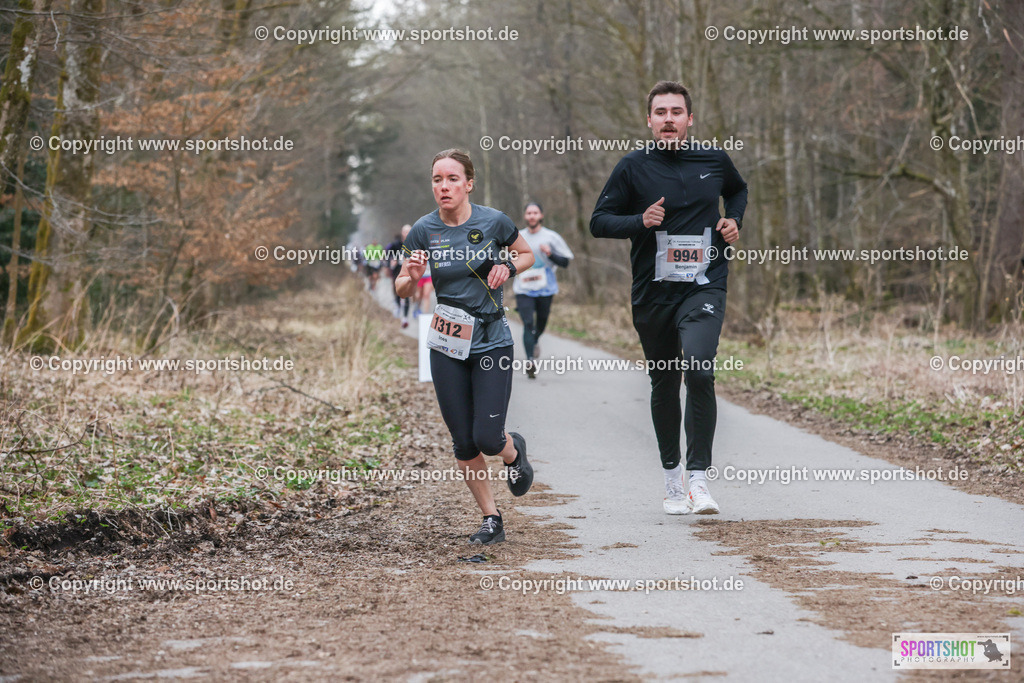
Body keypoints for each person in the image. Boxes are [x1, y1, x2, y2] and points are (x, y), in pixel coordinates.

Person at [590, 80, 747, 516]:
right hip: (653, 293)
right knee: (665, 381)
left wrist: (733, 220)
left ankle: (699, 479)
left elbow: (737, 190)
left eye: (676, 112)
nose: (669, 120)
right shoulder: (632, 167)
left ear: (690, 119)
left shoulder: (713, 160)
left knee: (698, 368)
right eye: (660, 112)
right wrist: (640, 220)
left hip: (703, 284)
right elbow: (598, 222)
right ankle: (671, 479)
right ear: (649, 120)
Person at [395, 148, 536, 545]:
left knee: (489, 437)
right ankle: (492, 518)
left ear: (469, 183)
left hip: (491, 339)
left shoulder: (494, 222)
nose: (444, 187)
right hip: (446, 343)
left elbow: (527, 254)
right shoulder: (423, 231)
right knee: (463, 440)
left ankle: (513, 451)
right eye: (437, 179)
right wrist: (411, 276)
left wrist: (507, 266)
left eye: (452, 179)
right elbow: (402, 287)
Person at [512, 202, 574, 378]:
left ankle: (535, 339)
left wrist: (550, 254)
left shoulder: (551, 237)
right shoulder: (517, 237)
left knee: (541, 323)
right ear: (525, 216)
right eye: (529, 213)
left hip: (545, 288)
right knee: (527, 322)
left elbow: (565, 262)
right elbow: (507, 259)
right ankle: (530, 360)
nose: (532, 216)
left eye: (535, 213)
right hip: (523, 287)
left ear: (541, 216)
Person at [386, 226, 413, 327]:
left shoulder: (415, 243)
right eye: (405, 232)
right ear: (402, 233)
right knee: (397, 290)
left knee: (406, 295)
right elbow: (386, 255)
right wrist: (391, 262)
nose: (407, 233)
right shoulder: (395, 244)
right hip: (397, 271)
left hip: (409, 273)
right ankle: (397, 305)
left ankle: (405, 318)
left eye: (409, 231)